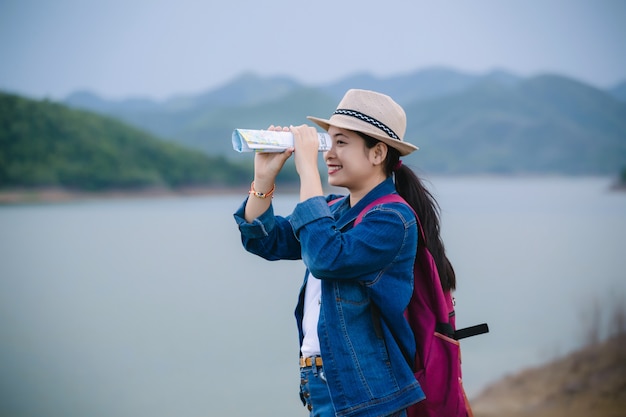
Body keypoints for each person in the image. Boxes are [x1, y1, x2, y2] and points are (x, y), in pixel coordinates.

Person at [233, 89, 456, 417]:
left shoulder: (393, 219)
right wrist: (263, 178)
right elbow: (265, 240)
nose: (327, 153)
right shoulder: (334, 211)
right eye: (327, 141)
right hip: (325, 386)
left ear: (378, 153)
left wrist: (308, 171)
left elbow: (327, 257)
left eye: (342, 142)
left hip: (365, 394)